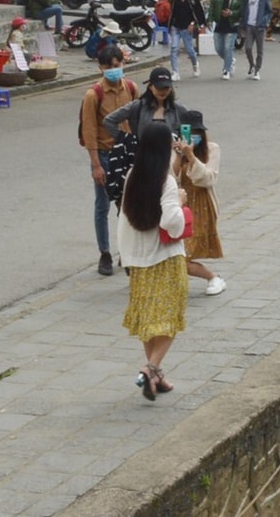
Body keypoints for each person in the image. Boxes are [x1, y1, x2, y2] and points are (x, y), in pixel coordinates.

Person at [118, 122, 190, 400]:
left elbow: (124, 218)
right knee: (171, 316)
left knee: (149, 319)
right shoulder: (166, 181)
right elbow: (171, 220)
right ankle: (150, 369)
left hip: (137, 258)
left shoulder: (132, 175)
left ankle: (156, 376)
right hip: (164, 257)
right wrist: (182, 203)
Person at [80, 53, 139, 275]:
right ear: (100, 68)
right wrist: (96, 164)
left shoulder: (131, 88)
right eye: (109, 66)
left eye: (117, 65)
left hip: (127, 152)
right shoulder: (93, 95)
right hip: (104, 154)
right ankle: (104, 253)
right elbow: (89, 131)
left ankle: (126, 252)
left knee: (126, 206)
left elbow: (138, 121)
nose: (114, 70)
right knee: (102, 205)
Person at [175, 110, 226, 296]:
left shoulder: (212, 149)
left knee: (185, 253)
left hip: (202, 205)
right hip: (181, 203)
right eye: (189, 132)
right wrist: (178, 154)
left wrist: (191, 156)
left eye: (197, 132)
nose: (193, 137)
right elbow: (172, 177)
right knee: (178, 252)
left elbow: (208, 178)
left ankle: (213, 277)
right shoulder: (176, 149)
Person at [105, 67, 189, 140]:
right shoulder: (137, 107)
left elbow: (191, 135)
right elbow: (109, 121)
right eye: (159, 87)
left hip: (172, 157)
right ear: (150, 87)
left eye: (166, 88)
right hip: (142, 157)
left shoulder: (180, 110)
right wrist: (127, 140)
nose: (163, 91)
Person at [209, 0, 245, 79]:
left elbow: (242, 11)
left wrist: (232, 13)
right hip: (220, 24)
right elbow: (212, 8)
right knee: (219, 48)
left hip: (232, 25)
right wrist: (210, 20)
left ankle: (226, 70)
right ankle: (230, 60)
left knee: (228, 48)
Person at [168, 0, 205, 77]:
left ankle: (195, 64)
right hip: (176, 26)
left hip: (187, 27)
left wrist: (195, 24)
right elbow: (172, 13)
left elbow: (198, 12)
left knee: (189, 49)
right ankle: (175, 72)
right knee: (174, 48)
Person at [241, 0, 272, 79]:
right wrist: (242, 26)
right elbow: (243, 10)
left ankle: (257, 70)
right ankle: (252, 65)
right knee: (248, 48)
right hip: (249, 25)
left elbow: (269, 11)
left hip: (259, 27)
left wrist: (264, 22)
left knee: (260, 50)